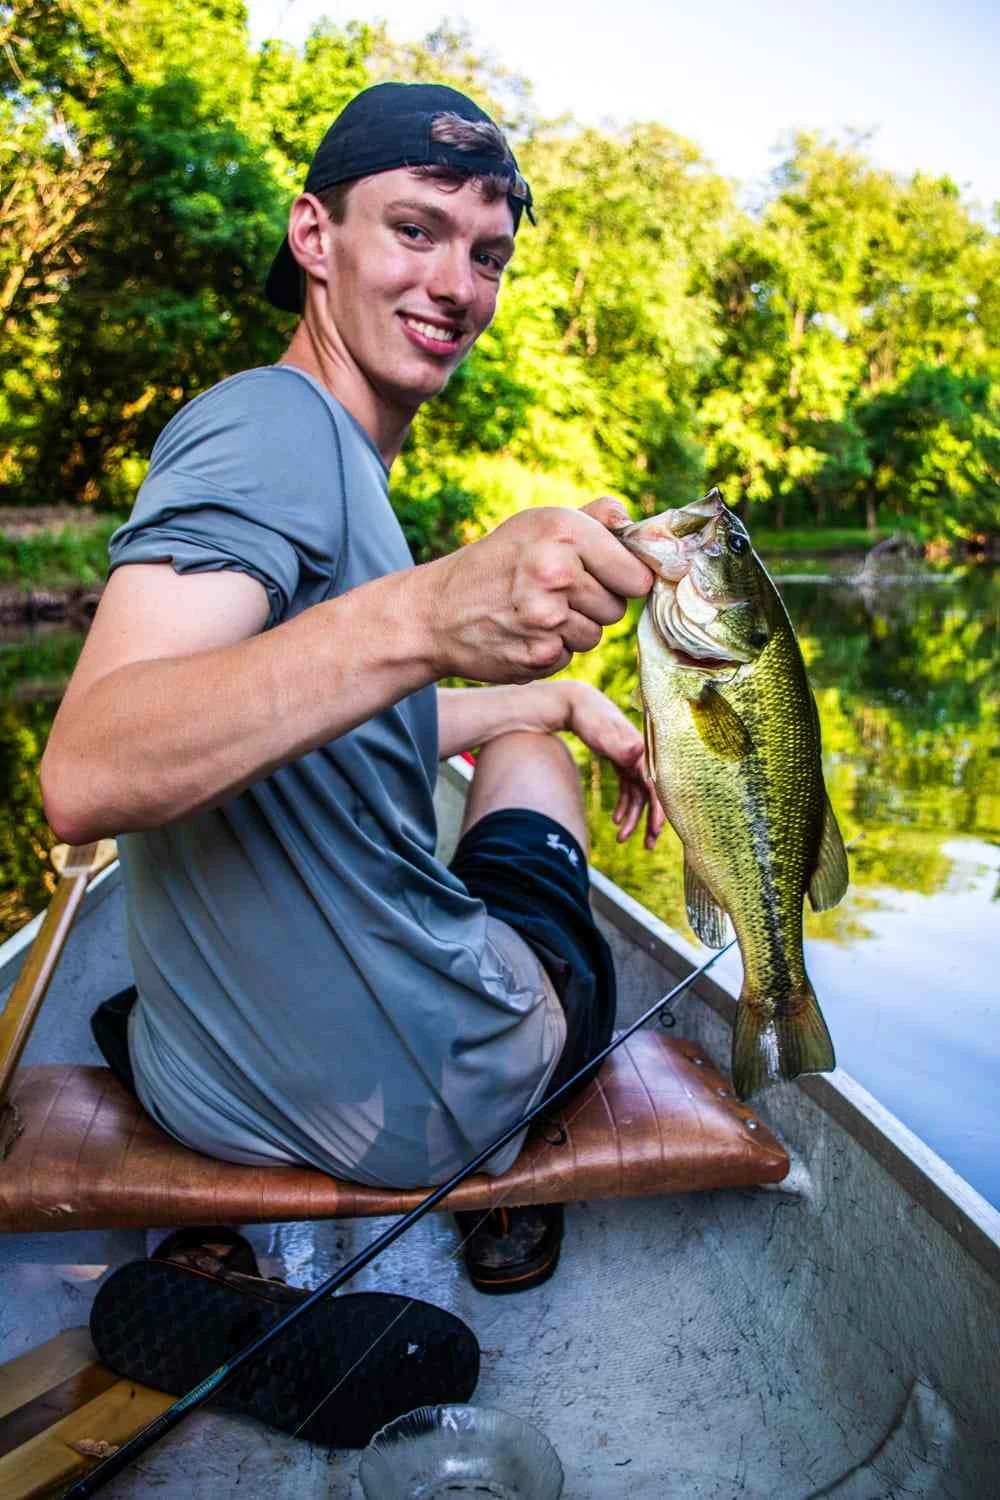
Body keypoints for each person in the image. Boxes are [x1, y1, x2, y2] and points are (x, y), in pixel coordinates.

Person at [40, 82, 662, 1310]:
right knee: (532, 770)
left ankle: (230, 1219)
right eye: (415, 229)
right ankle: (519, 1159)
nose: (457, 286)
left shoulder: (330, 466)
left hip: (204, 1103)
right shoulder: (272, 423)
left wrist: (560, 695)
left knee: (532, 722)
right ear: (313, 239)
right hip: (430, 1112)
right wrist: (434, 617)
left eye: (487, 254)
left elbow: (341, 730)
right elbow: (87, 773)